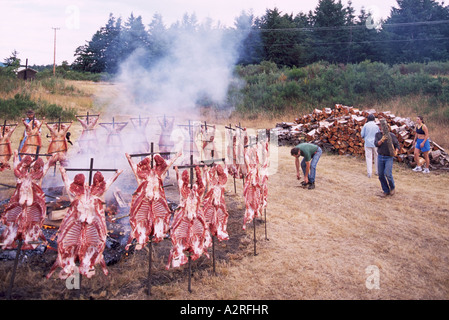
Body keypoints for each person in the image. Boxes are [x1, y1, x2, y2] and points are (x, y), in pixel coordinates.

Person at [374, 124, 400, 197]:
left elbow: (397, 145)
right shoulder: (378, 135)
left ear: (387, 128)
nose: (380, 128)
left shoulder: (391, 135)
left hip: (389, 157)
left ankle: (392, 188)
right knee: (381, 175)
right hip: (380, 156)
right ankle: (386, 190)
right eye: (379, 126)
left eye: (381, 126)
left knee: (388, 174)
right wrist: (381, 140)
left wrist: (396, 151)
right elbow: (376, 144)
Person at [361, 114, 380, 178]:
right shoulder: (376, 126)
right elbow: (379, 134)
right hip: (375, 143)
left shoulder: (365, 125)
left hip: (368, 143)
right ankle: (377, 171)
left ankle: (369, 173)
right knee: (377, 157)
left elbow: (362, 134)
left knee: (369, 158)